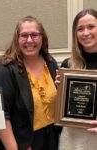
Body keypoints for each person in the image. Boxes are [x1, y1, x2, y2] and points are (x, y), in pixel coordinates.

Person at [0, 16, 61, 150]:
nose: (29, 40)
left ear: (42, 37)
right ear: (17, 39)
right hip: (23, 142)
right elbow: (0, 114)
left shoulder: (50, 63)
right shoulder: (5, 69)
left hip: (52, 138)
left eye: (34, 35)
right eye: (24, 35)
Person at [58, 8, 97, 150]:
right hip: (72, 139)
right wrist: (61, 91)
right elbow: (61, 109)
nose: (86, 33)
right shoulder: (68, 65)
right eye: (80, 29)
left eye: (91, 27)